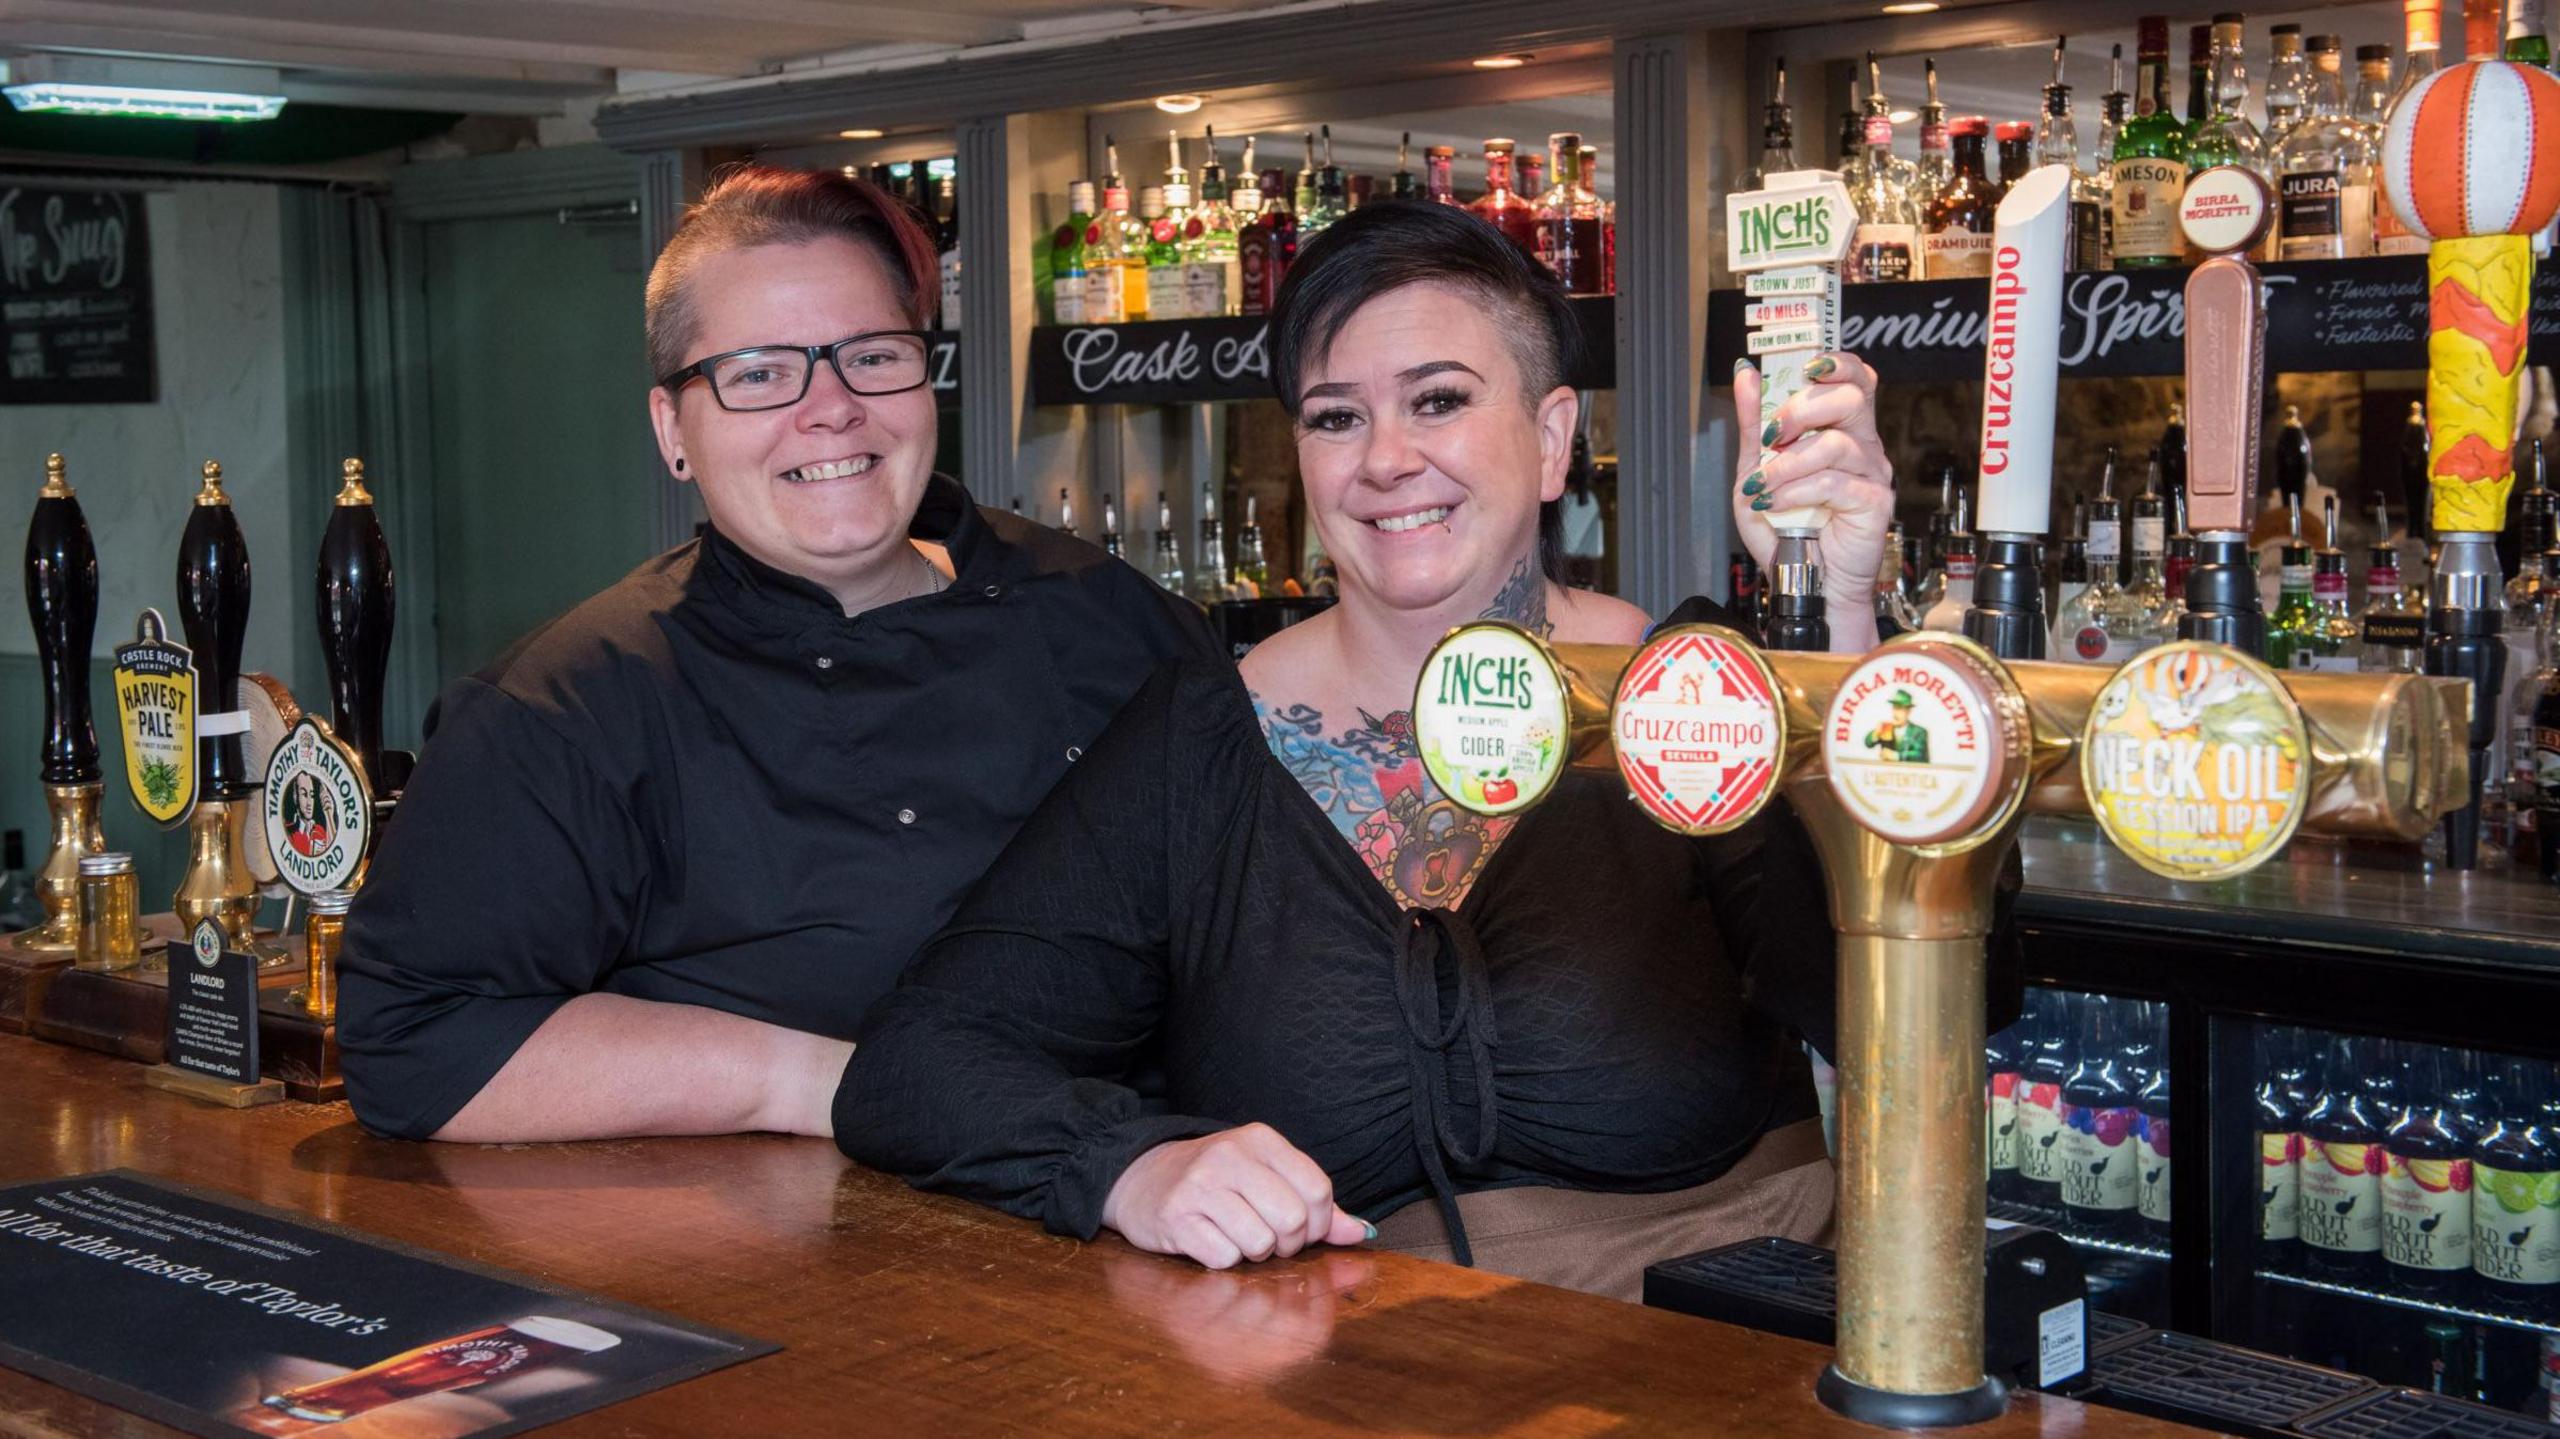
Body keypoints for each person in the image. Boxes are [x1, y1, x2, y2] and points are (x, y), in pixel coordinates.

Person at [834, 201, 1922, 1301]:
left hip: (1709, 1359)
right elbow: (919, 1063)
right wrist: (1130, 1165)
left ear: (1551, 440)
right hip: (1360, 1374)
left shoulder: (1684, 695)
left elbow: (1897, 1009)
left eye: (1438, 400)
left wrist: (1838, 613)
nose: (1386, 461)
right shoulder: (1205, 731)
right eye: (1335, 418)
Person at [337, 167, 1215, 1144]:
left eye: (872, 356)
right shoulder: (568, 707)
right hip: (810, 1261)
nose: (831, 407)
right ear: (674, 428)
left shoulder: (1112, 618)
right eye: (759, 373)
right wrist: (827, 1084)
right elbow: (413, 1040)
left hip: (1171, 1214)